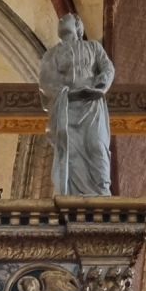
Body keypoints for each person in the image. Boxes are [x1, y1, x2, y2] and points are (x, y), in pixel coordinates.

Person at [38, 15, 115, 197]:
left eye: (69, 18)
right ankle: (73, 197)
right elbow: (46, 82)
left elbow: (108, 68)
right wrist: (66, 92)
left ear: (79, 27)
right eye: (61, 19)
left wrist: (99, 85)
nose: (63, 18)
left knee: (97, 145)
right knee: (71, 154)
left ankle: (102, 190)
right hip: (67, 107)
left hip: (91, 105)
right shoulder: (52, 55)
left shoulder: (93, 47)